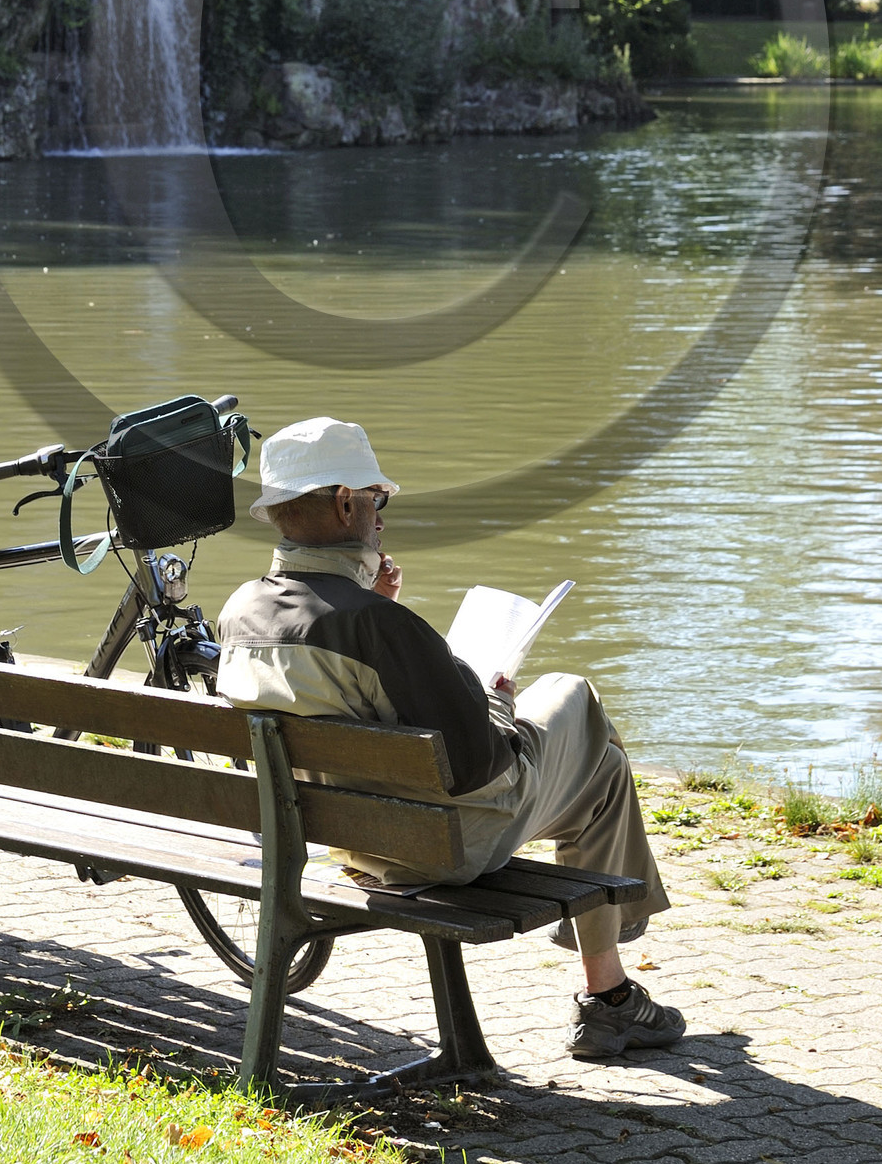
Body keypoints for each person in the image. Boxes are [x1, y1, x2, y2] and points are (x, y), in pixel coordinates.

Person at [216, 413, 684, 1061]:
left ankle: (610, 994)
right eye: (377, 500)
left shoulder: (239, 612)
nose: (382, 516)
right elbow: (482, 766)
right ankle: (607, 995)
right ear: (346, 501)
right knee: (579, 705)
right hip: (442, 843)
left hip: (333, 834)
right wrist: (495, 694)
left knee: (598, 768)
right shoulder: (380, 627)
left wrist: (367, 596)